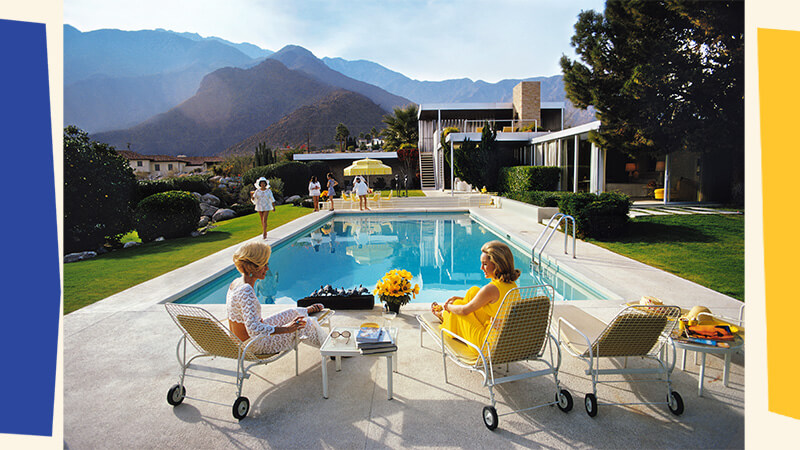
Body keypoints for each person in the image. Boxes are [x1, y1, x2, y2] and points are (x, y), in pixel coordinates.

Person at [227, 241, 327, 354]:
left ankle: (305, 310)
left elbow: (250, 322)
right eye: (264, 265)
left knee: (292, 312)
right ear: (254, 267)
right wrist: (288, 328)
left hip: (244, 340)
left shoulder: (236, 283)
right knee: (306, 324)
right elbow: (254, 329)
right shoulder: (246, 290)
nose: (267, 269)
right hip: (253, 345)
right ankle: (331, 349)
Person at [430, 240, 520, 353]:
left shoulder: (491, 289)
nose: (481, 268)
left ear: (498, 265)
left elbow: (464, 310)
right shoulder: (512, 285)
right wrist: (462, 299)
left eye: (485, 264)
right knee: (474, 292)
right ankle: (448, 317)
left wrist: (448, 307)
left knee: (458, 306)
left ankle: (444, 315)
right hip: (504, 340)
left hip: (486, 345)